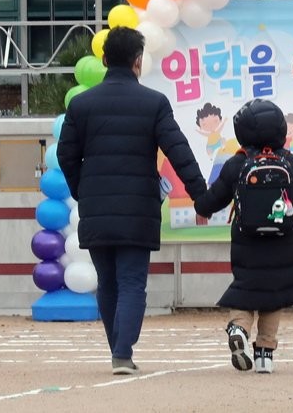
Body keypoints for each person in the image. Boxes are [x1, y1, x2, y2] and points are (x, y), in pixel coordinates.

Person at [57, 26, 207, 375]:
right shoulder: (153, 103)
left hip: (95, 207)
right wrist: (201, 196)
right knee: (131, 282)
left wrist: (83, 189)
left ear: (105, 59)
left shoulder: (81, 105)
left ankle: (118, 351)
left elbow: (66, 155)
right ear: (138, 61)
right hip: (139, 208)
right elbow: (179, 151)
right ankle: (123, 353)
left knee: (107, 281)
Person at [193, 99, 293, 375]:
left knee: (247, 287)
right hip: (286, 240)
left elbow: (213, 199)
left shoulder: (238, 163)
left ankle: (238, 327)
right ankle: (265, 356)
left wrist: (201, 207)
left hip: (247, 241)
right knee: (276, 293)